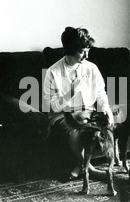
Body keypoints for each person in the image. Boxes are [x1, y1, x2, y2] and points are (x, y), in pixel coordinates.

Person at [43, 26, 114, 179]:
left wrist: (106, 109)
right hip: (61, 114)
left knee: (102, 124)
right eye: (82, 52)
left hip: (86, 111)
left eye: (87, 50)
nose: (86, 56)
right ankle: (90, 169)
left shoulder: (91, 68)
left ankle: (79, 165)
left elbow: (101, 92)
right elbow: (53, 106)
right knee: (76, 131)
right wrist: (72, 92)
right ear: (69, 50)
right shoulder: (52, 72)